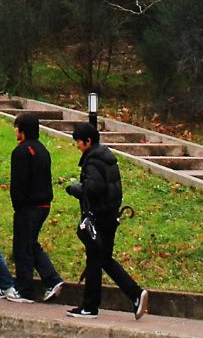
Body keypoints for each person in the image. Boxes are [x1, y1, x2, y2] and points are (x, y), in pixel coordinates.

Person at [64, 123, 148, 320]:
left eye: (78, 141)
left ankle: (90, 307)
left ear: (88, 141)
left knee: (94, 260)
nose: (76, 144)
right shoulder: (107, 158)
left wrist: (75, 189)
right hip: (110, 217)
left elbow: (93, 188)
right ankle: (135, 294)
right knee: (104, 259)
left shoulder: (93, 162)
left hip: (98, 219)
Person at [9, 114, 65, 303]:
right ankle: (52, 279)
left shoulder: (21, 151)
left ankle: (25, 290)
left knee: (22, 247)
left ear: (22, 129)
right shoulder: (42, 150)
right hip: (43, 204)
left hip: (28, 206)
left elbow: (18, 183)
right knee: (30, 243)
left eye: (16, 127)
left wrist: (18, 204)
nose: (14, 130)